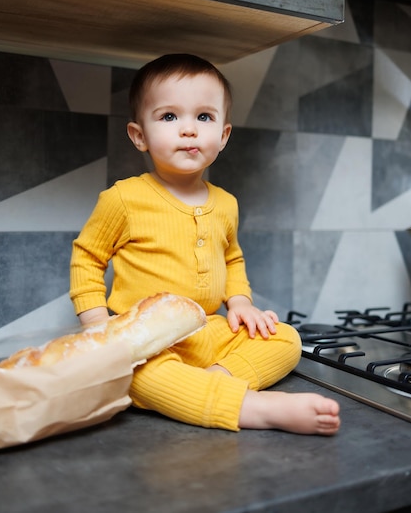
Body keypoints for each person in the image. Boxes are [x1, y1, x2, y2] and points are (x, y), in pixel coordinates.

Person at [70, 53, 340, 435]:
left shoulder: (226, 203)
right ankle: (256, 408)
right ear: (139, 136)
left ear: (223, 135)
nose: (188, 130)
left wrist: (242, 304)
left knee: (286, 338)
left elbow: (232, 258)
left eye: (204, 117)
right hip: (145, 340)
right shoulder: (123, 199)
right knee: (137, 376)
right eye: (169, 117)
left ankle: (213, 381)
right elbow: (87, 258)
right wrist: (98, 325)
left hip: (208, 330)